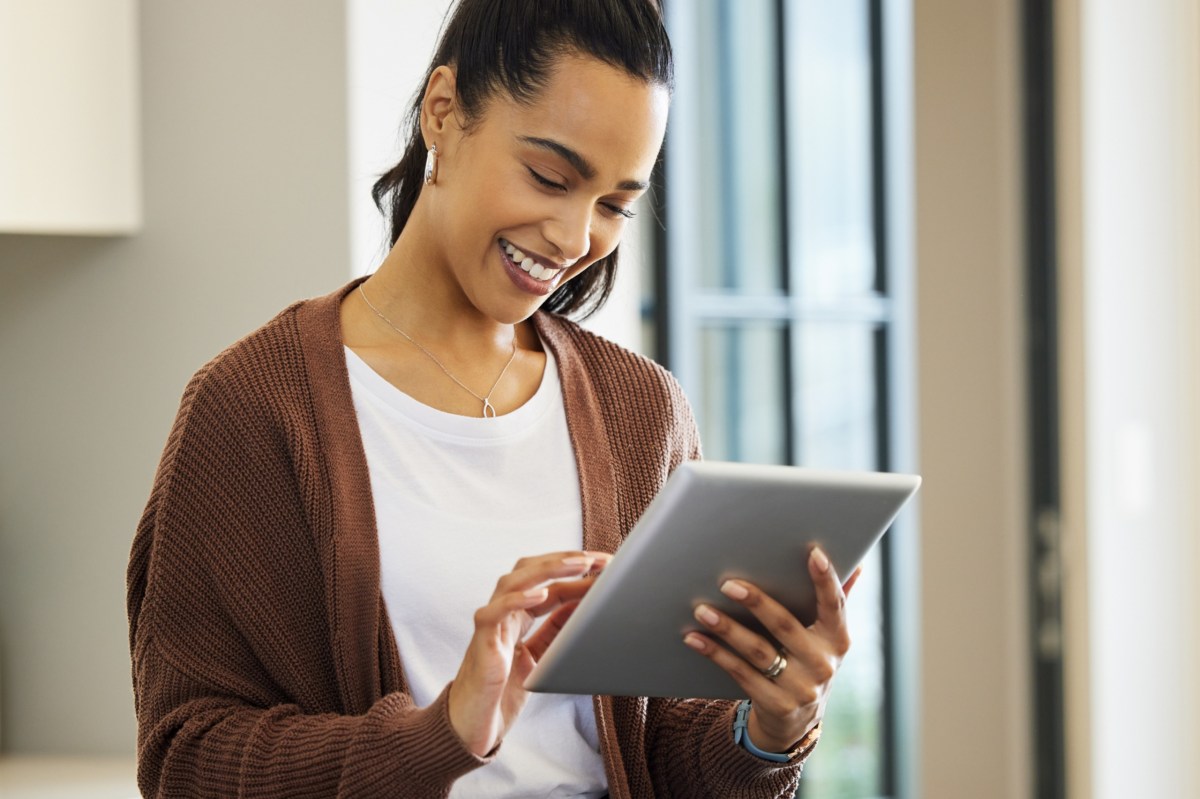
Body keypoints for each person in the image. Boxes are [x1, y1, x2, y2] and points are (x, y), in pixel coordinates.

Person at [126, 1, 861, 796]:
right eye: (551, 176)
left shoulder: (642, 413)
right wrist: (439, 734)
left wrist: (766, 728)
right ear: (443, 111)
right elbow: (186, 760)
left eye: (615, 203)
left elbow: (654, 749)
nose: (577, 238)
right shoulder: (254, 411)